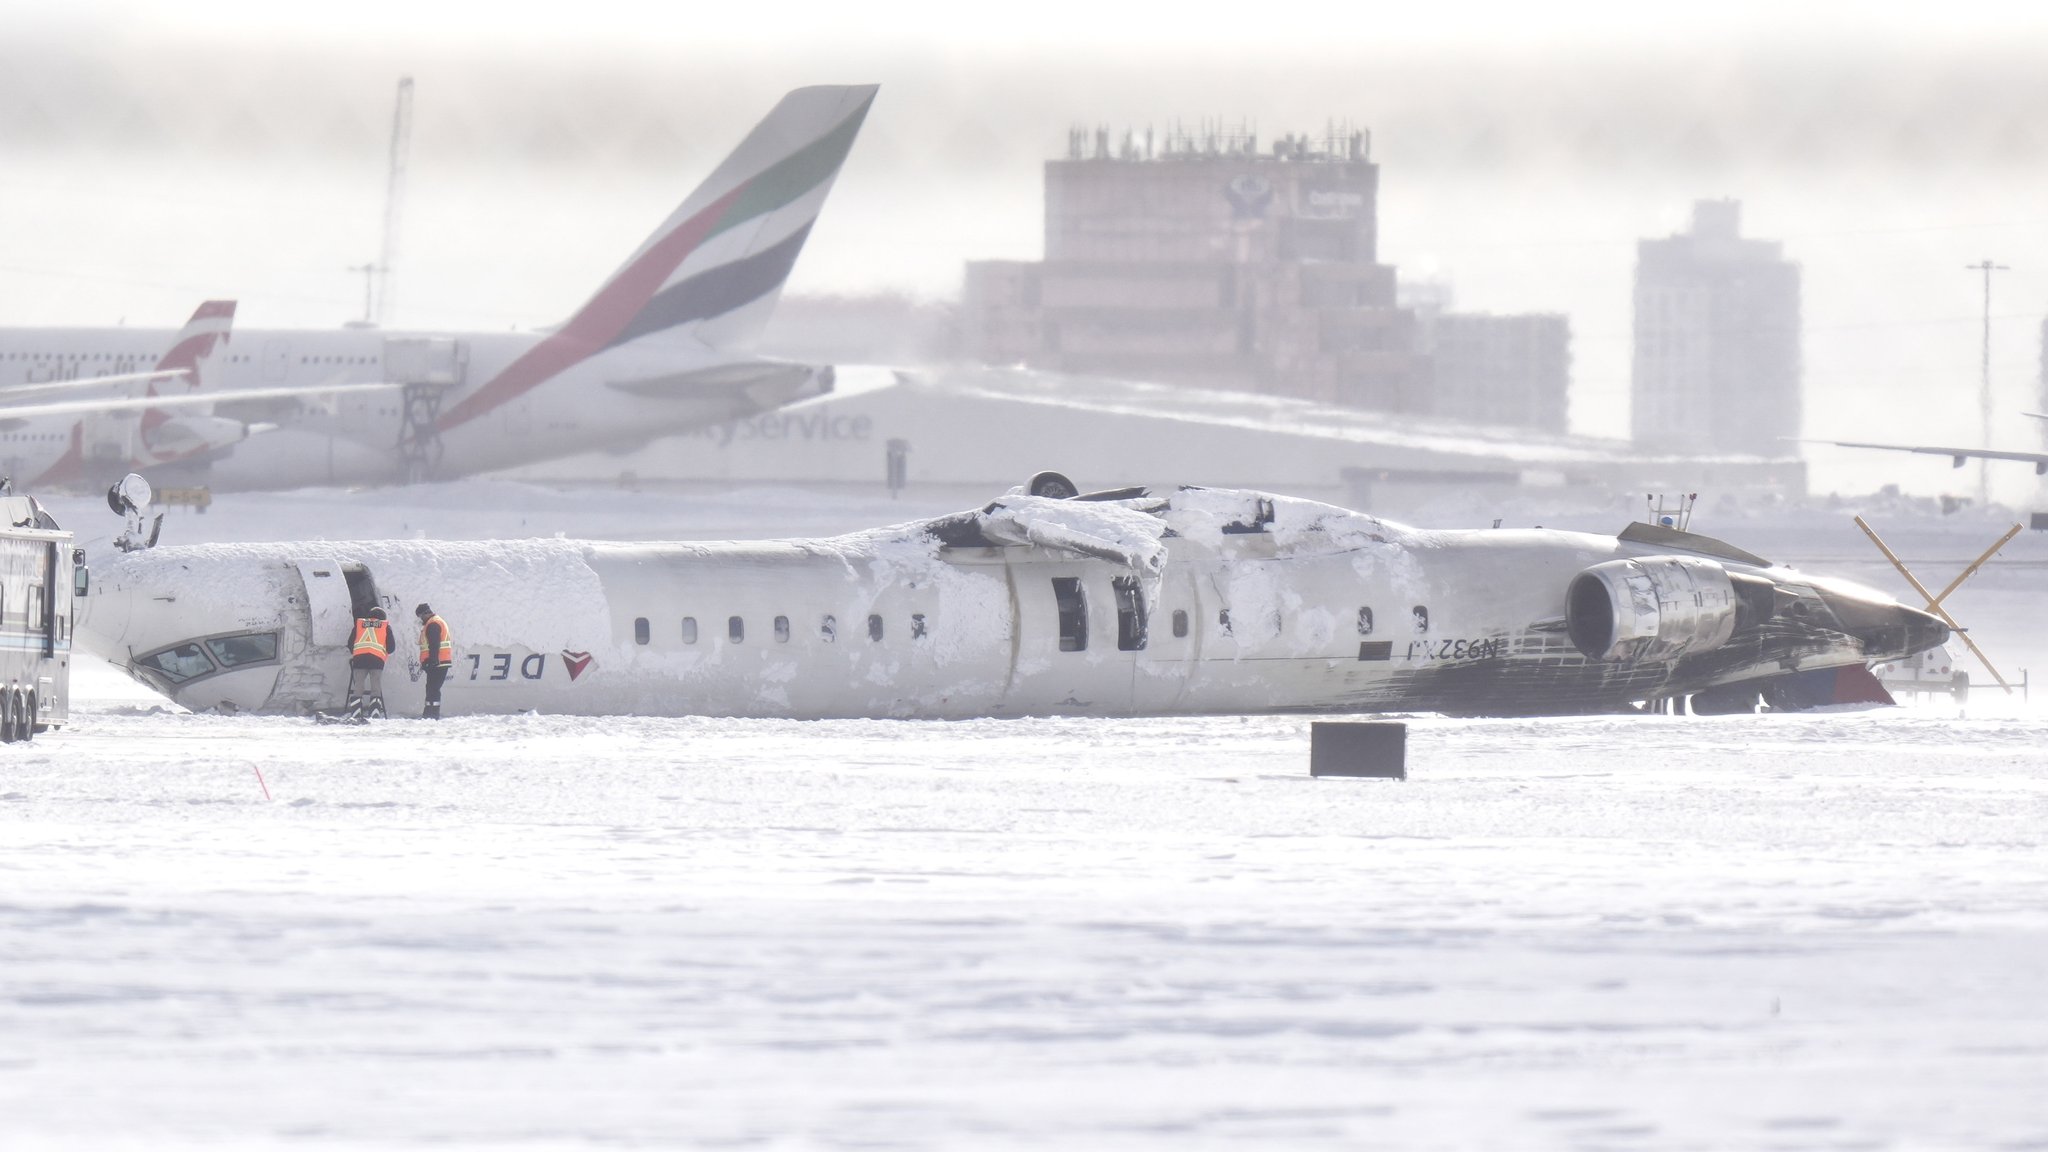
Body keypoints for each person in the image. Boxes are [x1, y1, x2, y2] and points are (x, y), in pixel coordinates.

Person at [346, 605, 393, 720]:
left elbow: (350, 642)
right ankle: (375, 713)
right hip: (377, 660)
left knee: (358, 685)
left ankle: (356, 712)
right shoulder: (385, 626)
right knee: (375, 686)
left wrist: (356, 652)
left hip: (359, 659)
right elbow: (391, 647)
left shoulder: (359, 624)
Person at [415, 603, 453, 720]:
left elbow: (434, 644)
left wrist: (432, 661)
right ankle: (430, 714)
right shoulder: (436, 622)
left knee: (433, 689)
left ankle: (431, 715)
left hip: (437, 663)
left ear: (426, 613)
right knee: (432, 688)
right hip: (440, 662)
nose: (421, 619)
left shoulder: (433, 624)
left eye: (421, 616)